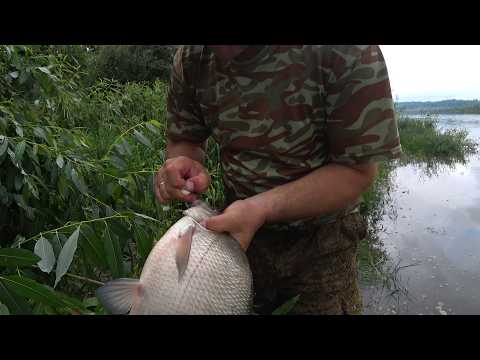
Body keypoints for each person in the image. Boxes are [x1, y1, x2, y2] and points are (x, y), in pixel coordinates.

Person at [154, 45, 402, 315]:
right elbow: (184, 138)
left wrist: (261, 208)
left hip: (322, 244)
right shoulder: (191, 57)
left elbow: (357, 172)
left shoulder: (347, 50)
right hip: (234, 237)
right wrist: (184, 163)